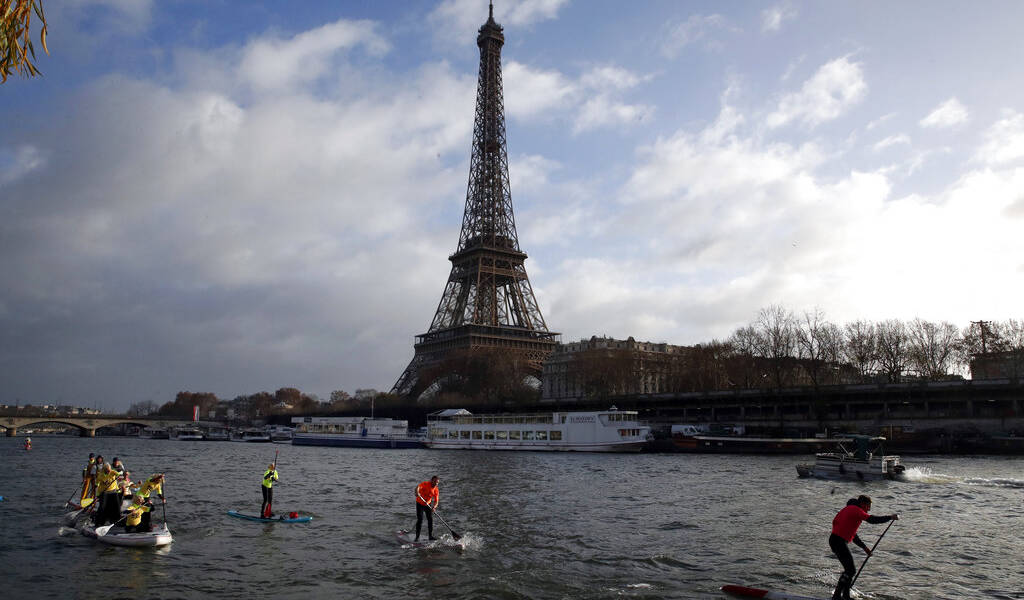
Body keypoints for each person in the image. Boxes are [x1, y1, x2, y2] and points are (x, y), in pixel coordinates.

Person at [829, 495, 898, 600]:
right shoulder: (856, 509)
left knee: (849, 570)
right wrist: (890, 517)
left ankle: (845, 596)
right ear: (862, 504)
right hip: (838, 541)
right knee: (850, 570)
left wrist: (865, 548)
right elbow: (872, 520)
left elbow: (853, 535)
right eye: (868, 506)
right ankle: (837, 596)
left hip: (836, 540)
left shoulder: (849, 509)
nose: (869, 509)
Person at [414, 475, 440, 542]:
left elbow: (436, 501)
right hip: (419, 503)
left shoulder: (436, 490)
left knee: (430, 520)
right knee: (420, 520)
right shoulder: (425, 484)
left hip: (427, 505)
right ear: (431, 481)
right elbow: (418, 487)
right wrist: (417, 492)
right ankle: (417, 537)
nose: (435, 484)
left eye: (437, 483)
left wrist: (434, 507)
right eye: (434, 482)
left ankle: (430, 536)